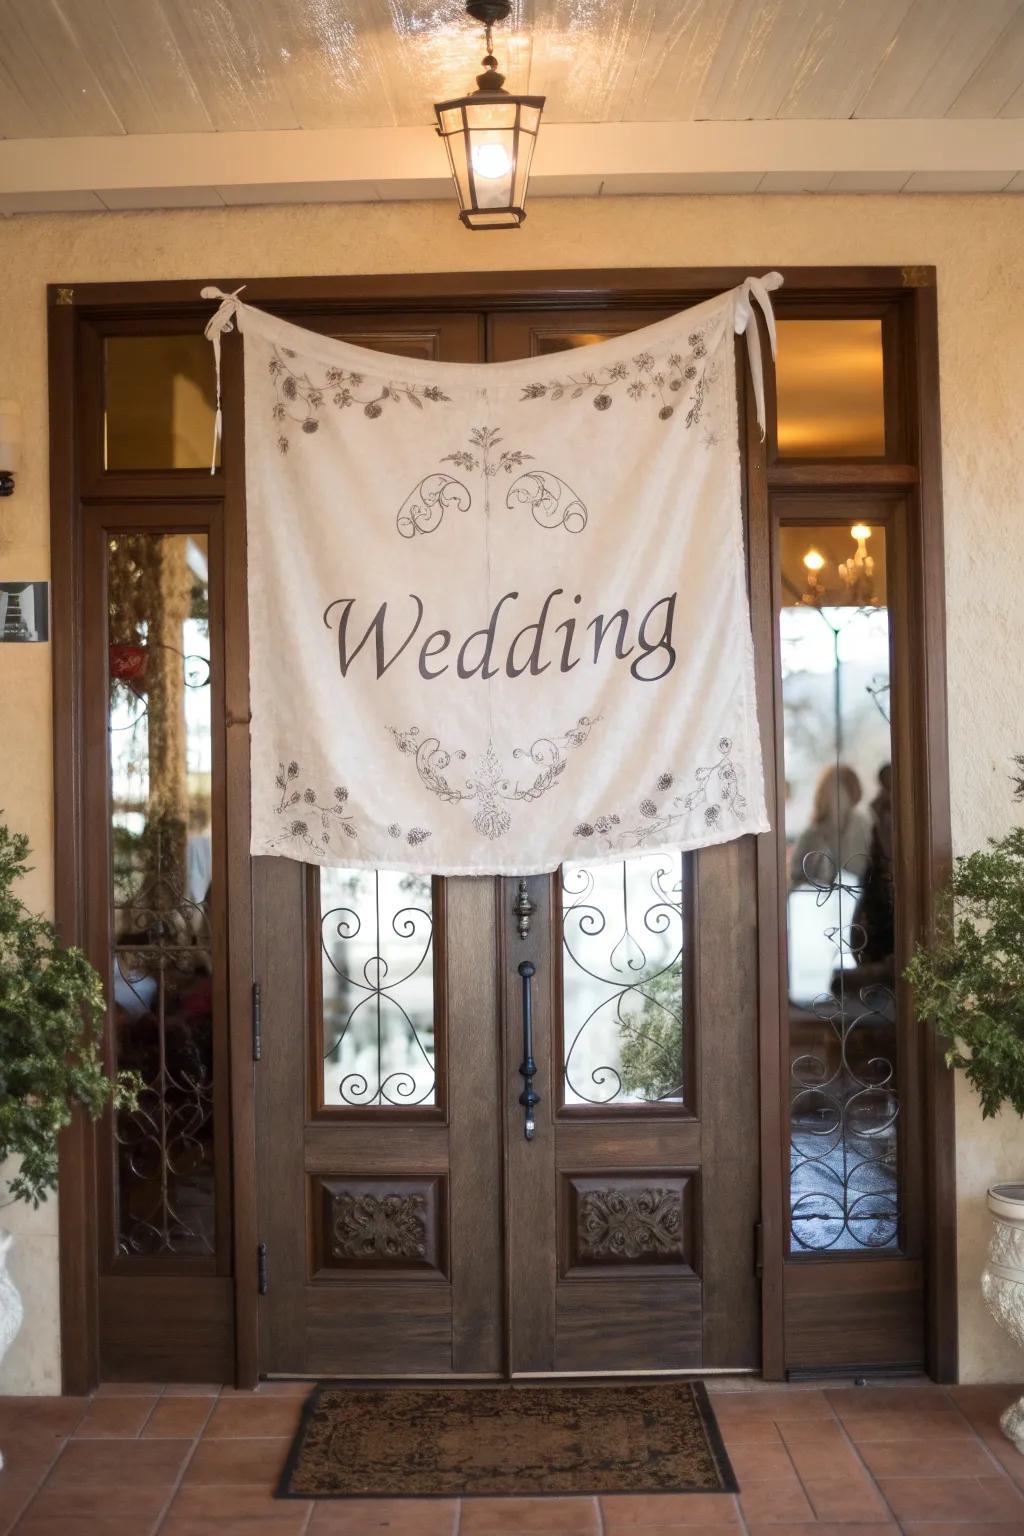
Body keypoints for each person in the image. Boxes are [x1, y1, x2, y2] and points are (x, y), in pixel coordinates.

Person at [789, 762, 873, 890]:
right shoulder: (811, 834)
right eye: (832, 793)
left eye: (843, 792)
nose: (838, 800)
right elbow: (795, 878)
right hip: (817, 902)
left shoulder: (865, 826)